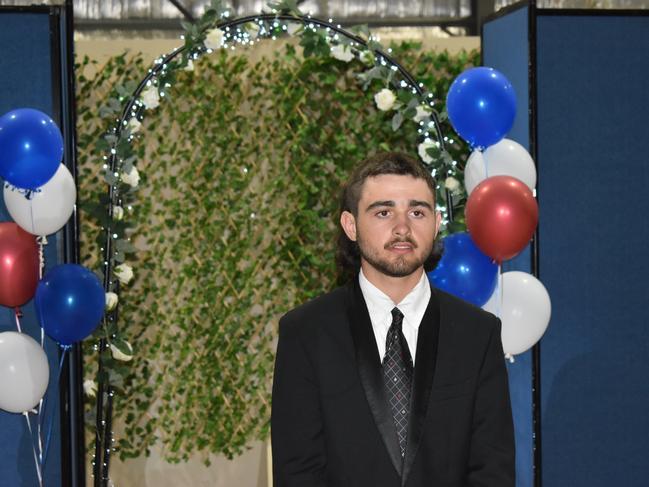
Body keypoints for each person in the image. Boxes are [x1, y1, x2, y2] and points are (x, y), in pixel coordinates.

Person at [271, 152, 514, 487]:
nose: (402, 228)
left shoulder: (478, 333)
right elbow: (297, 472)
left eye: (417, 212)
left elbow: (492, 470)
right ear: (351, 225)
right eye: (383, 212)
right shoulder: (307, 332)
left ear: (437, 222)